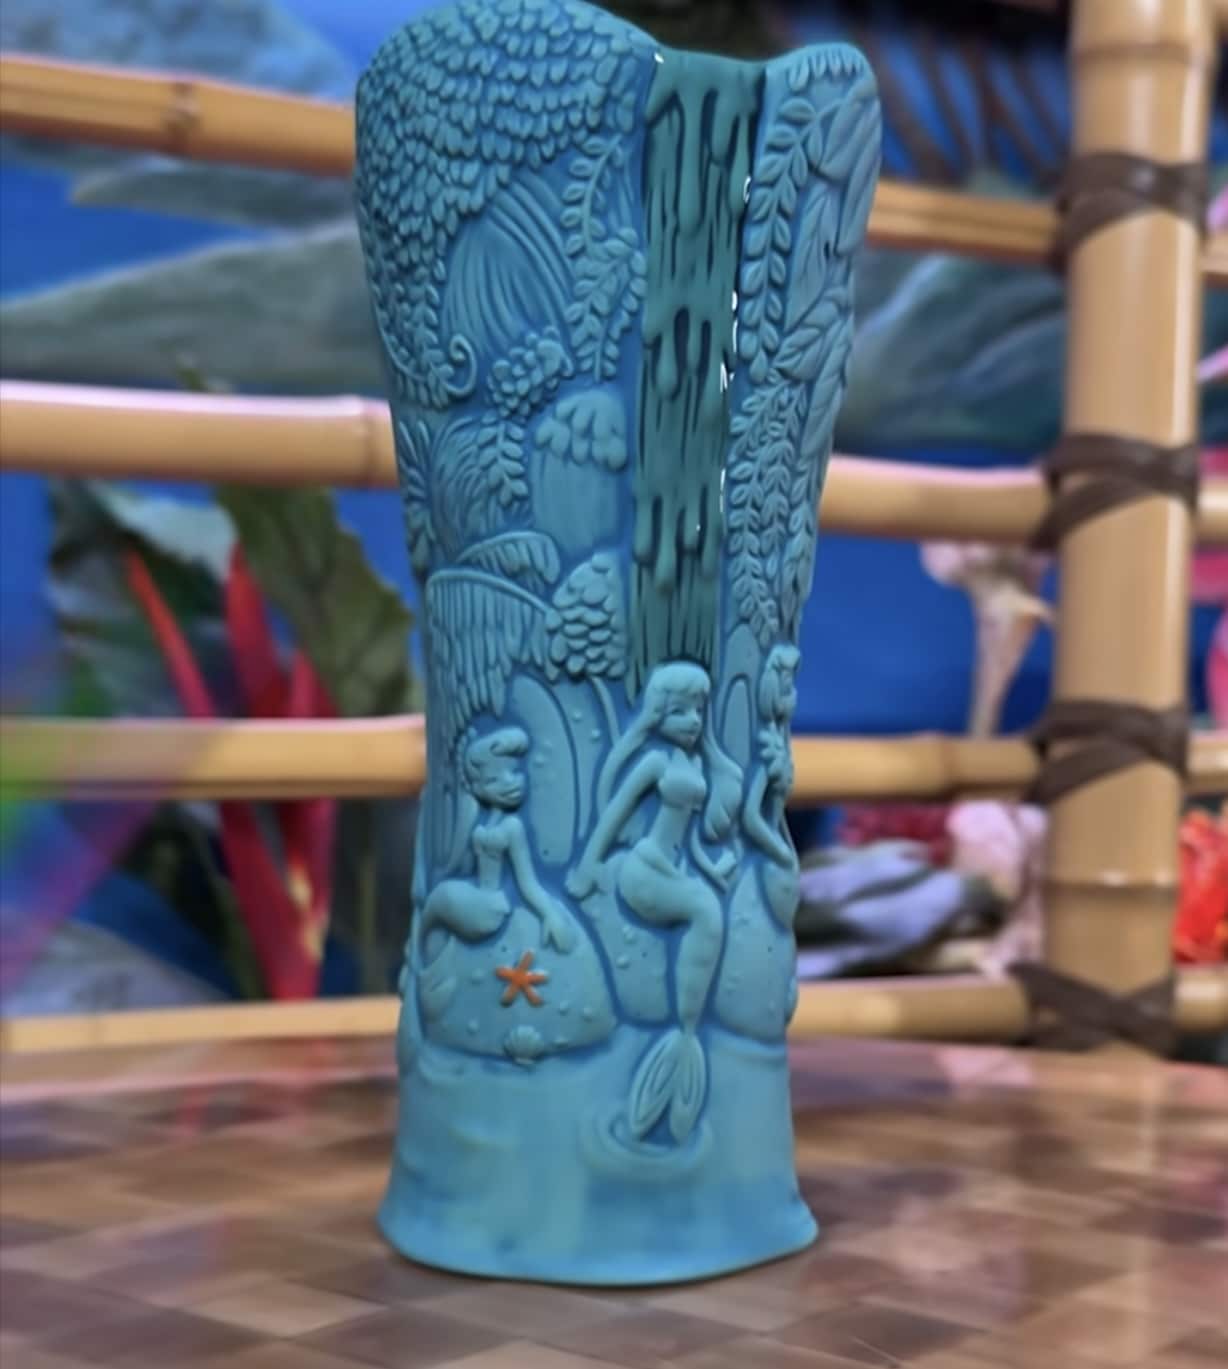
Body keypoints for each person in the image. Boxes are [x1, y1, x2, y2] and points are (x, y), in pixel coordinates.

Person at [568, 661, 741, 1143]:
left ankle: (684, 1037)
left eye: (699, 710)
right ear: (658, 712)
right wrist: (588, 866)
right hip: (643, 872)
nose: (693, 721)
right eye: (681, 711)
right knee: (705, 913)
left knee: (708, 911)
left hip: (674, 869)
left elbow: (689, 837)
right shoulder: (655, 763)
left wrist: (711, 869)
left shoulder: (695, 765)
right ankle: (682, 1037)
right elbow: (615, 813)